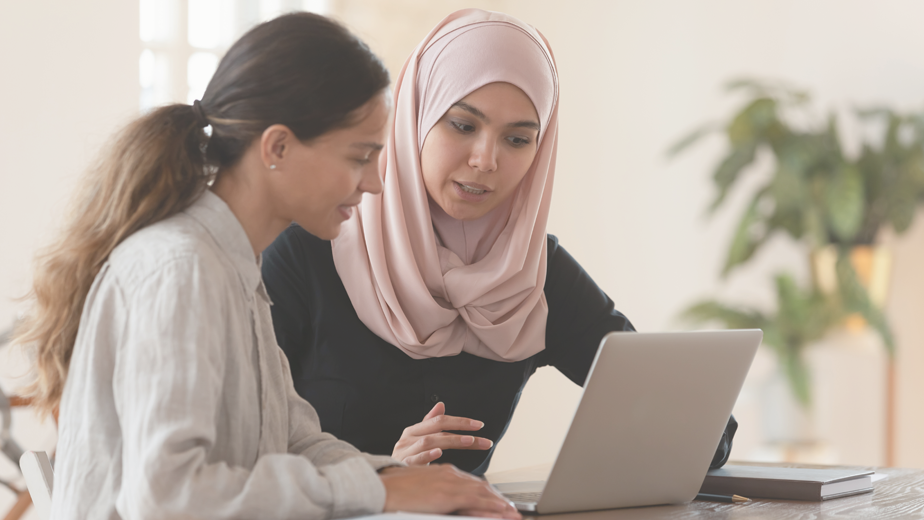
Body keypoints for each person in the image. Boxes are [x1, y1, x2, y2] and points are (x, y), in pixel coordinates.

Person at [12, 12, 520, 520]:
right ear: (277, 147)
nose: (374, 183)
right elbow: (166, 495)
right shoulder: (182, 268)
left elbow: (295, 440)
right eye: (359, 156)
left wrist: (404, 480)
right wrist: (380, 492)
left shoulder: (234, 265)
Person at [262, 9, 737, 476]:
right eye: (463, 125)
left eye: (516, 140)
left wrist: (657, 435)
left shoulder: (531, 272)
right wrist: (380, 475)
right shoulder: (308, 251)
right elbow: (245, 456)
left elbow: (706, 432)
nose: (486, 160)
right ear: (416, 118)